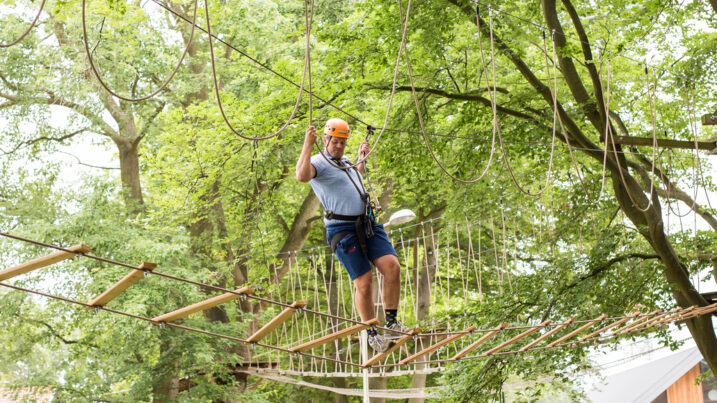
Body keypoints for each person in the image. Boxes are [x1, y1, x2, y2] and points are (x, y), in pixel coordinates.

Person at [296, 118, 409, 352]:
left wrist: (361, 162)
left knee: (392, 267)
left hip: (367, 223)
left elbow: (350, 184)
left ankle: (392, 321)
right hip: (343, 229)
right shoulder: (319, 162)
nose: (338, 146)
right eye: (335, 142)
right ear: (326, 140)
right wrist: (308, 144)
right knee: (364, 282)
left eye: (342, 142)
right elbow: (302, 176)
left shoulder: (344, 161)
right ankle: (371, 333)